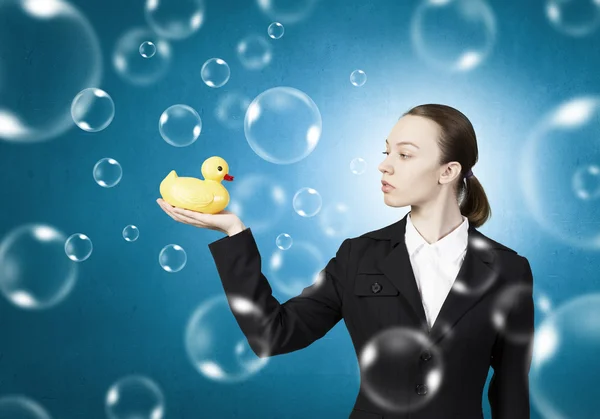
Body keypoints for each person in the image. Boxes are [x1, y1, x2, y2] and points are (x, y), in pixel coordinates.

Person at [157, 103, 535, 419]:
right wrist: (234, 234)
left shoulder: (509, 270)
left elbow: (511, 392)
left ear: (448, 171)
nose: (384, 165)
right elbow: (272, 334)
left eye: (403, 155)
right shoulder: (358, 255)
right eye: (385, 152)